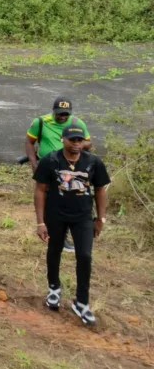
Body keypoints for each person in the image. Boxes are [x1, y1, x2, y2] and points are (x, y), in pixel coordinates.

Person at [32, 124, 110, 326]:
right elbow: (40, 190)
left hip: (83, 217)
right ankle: (54, 289)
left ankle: (81, 302)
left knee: (84, 255)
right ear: (63, 140)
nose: (76, 144)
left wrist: (100, 219)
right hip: (55, 215)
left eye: (80, 140)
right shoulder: (51, 161)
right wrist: (40, 222)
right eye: (72, 140)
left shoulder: (93, 163)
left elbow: (100, 190)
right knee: (55, 250)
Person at [24, 97, 92, 253]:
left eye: (66, 114)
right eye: (60, 114)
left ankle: (64, 236)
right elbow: (29, 142)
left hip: (68, 168)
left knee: (67, 199)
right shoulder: (40, 122)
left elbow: (89, 143)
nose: (63, 117)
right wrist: (34, 164)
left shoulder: (77, 123)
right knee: (47, 199)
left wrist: (74, 144)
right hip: (46, 166)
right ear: (53, 111)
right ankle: (53, 234)